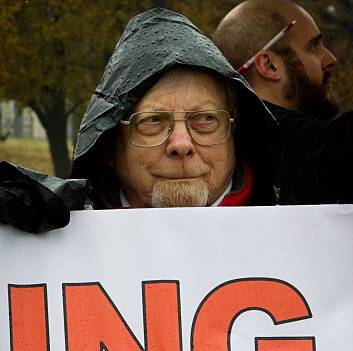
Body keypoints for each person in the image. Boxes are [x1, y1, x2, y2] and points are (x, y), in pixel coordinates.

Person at [0, 8, 279, 233]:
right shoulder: (54, 236)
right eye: (153, 121)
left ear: (233, 131)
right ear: (110, 146)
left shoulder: (298, 212)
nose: (181, 144)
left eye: (205, 119)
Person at [215, 0, 353, 204]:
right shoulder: (328, 150)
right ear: (269, 65)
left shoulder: (214, 156)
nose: (331, 58)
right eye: (313, 46)